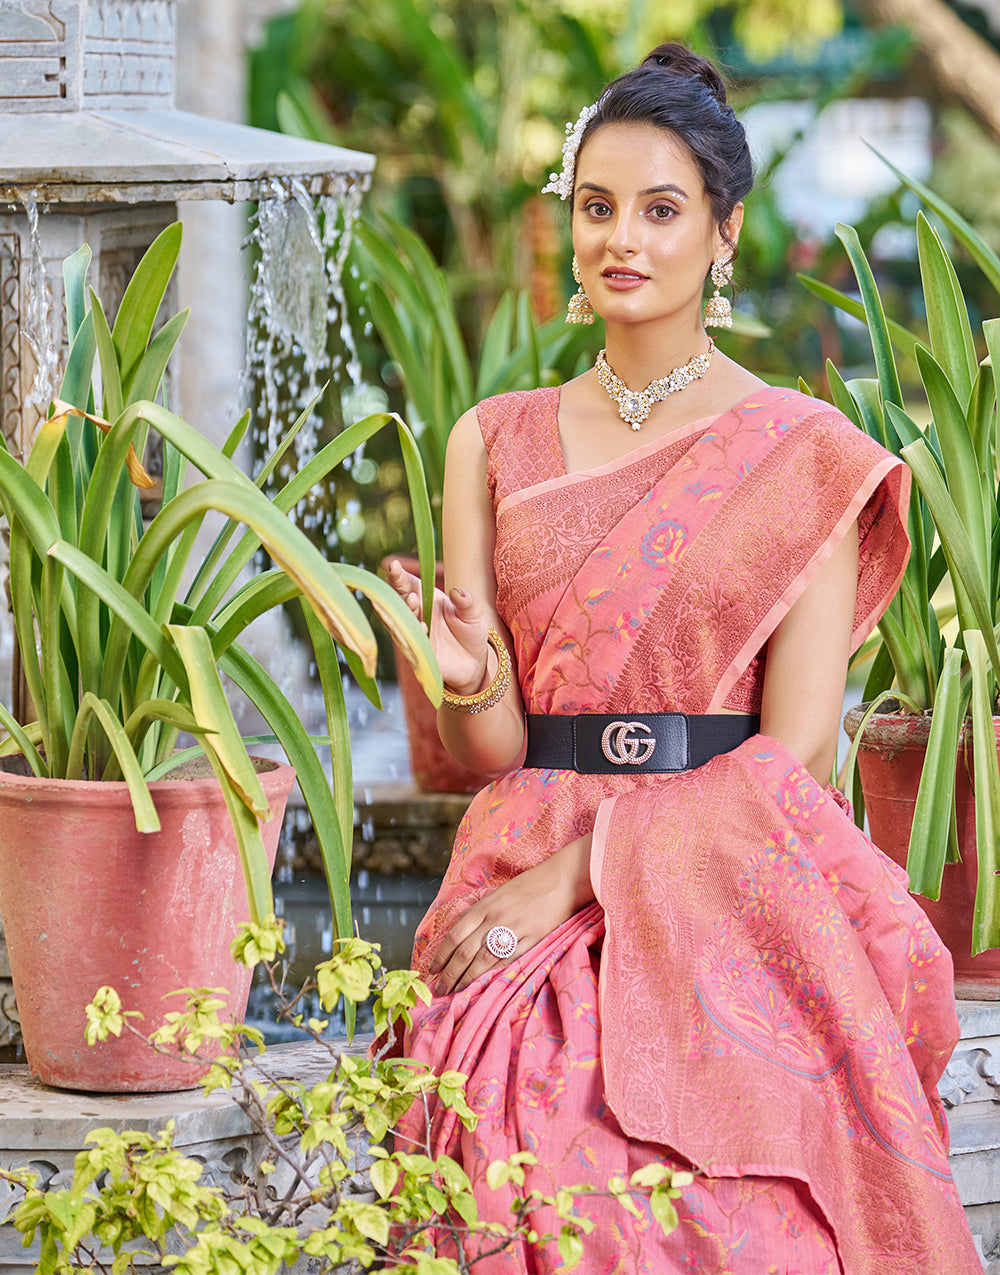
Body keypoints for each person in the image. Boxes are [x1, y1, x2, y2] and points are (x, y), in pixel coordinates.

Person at [385, 43, 980, 1273]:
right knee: (516, 1129)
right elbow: (492, 749)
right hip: (521, 845)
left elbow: (802, 754)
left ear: (724, 230)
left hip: (723, 867)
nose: (623, 239)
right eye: (596, 208)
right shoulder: (490, 440)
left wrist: (583, 877)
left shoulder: (801, 452)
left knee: (724, 1209)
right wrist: (466, 675)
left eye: (662, 210)